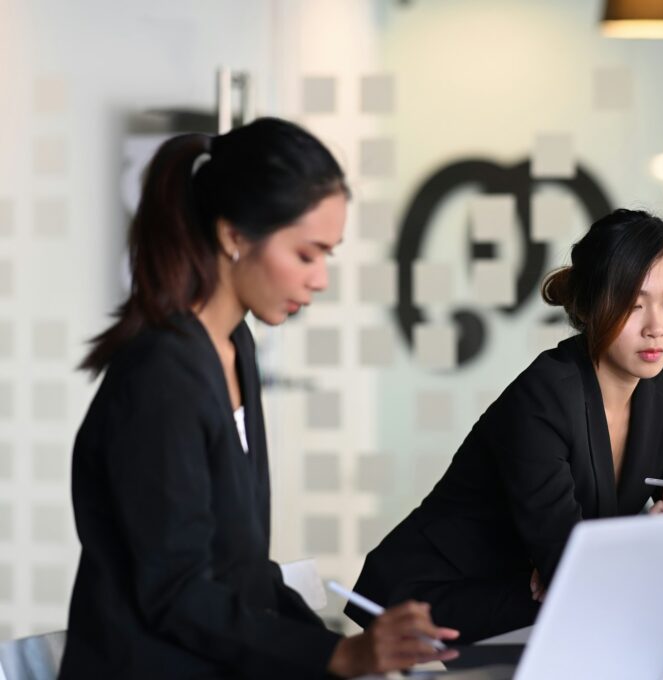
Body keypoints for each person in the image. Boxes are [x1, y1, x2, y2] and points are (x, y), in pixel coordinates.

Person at [59, 117, 458, 679]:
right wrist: (336, 655)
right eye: (306, 254)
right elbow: (177, 592)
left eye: (328, 256)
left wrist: (346, 643)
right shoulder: (160, 379)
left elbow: (240, 574)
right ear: (234, 236)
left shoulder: (234, 345)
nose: (320, 279)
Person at [348, 208, 663, 643]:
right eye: (632, 305)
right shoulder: (546, 394)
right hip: (440, 591)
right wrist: (632, 540)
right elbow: (572, 565)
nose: (656, 328)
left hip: (538, 592)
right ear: (589, 307)